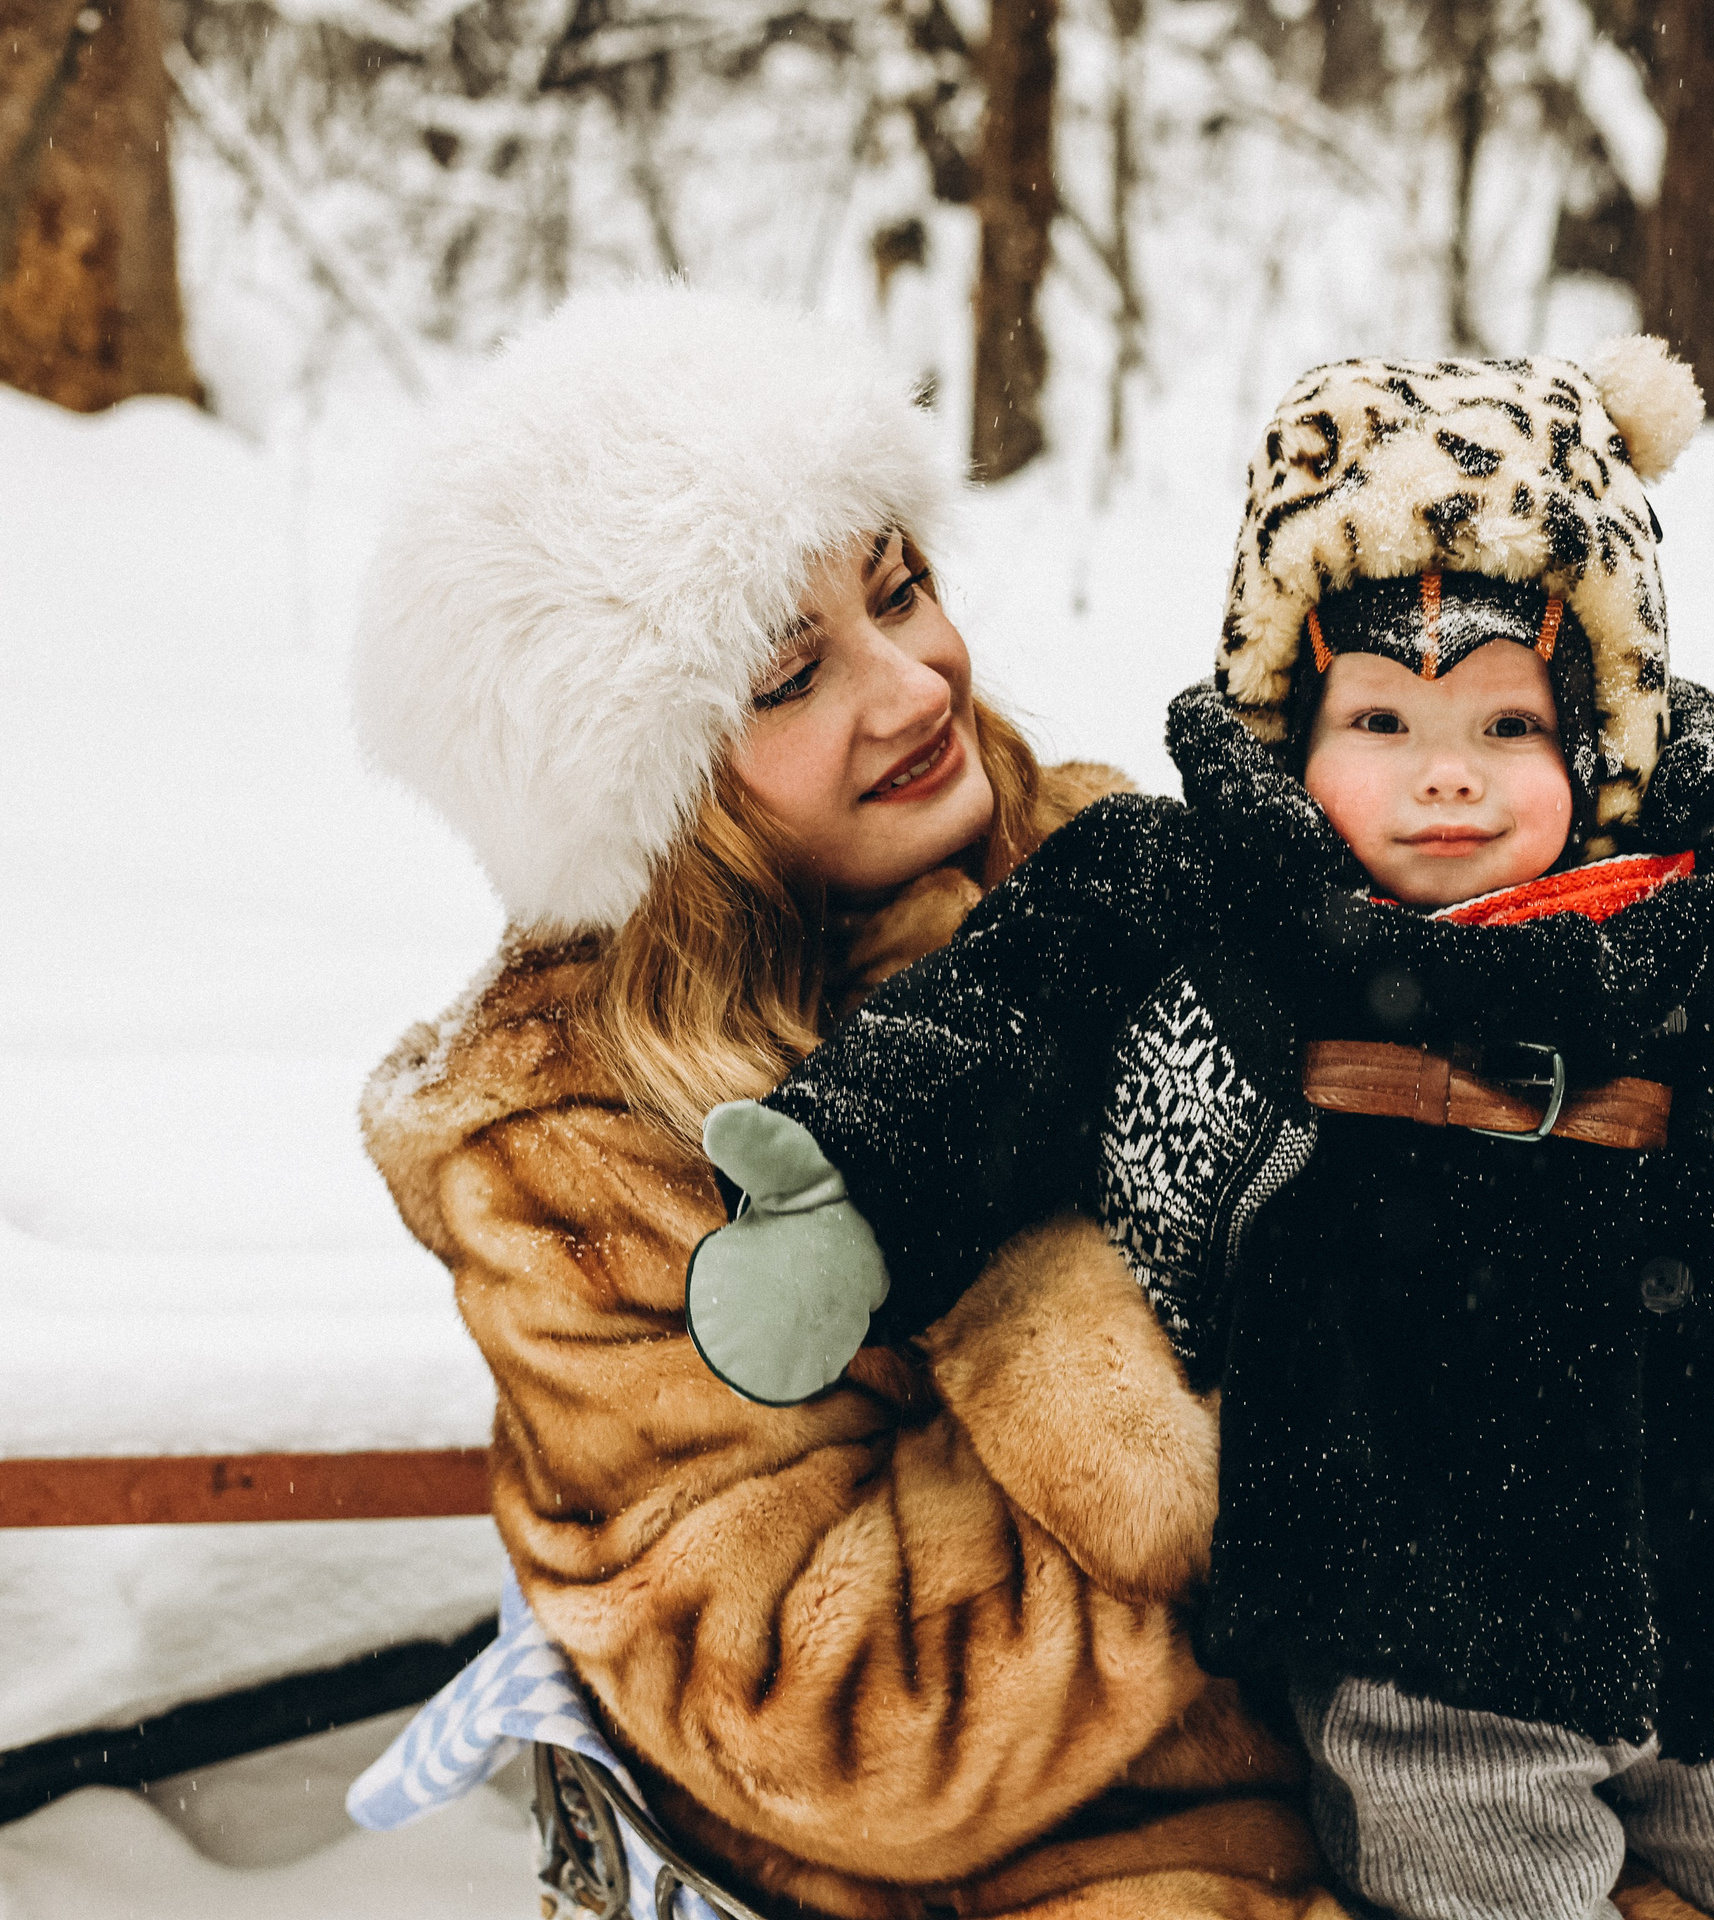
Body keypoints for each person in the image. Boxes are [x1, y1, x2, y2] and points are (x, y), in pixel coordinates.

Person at [685, 346, 1714, 1920]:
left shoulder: (1692, 906)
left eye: (1506, 724)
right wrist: (850, 1187)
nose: (1445, 777)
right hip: (1422, 1619)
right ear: (1291, 721)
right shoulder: (1206, 890)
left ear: (1599, 737)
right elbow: (998, 1023)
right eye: (1381, 717)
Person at [348, 283, 1387, 1920]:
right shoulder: (579, 1157)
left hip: (1425, 1767)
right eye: (790, 675)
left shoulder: (1100, 862)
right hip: (1047, 1877)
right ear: (655, 802)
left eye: (900, 592)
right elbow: (831, 1718)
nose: (913, 688)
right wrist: (1277, 1447)